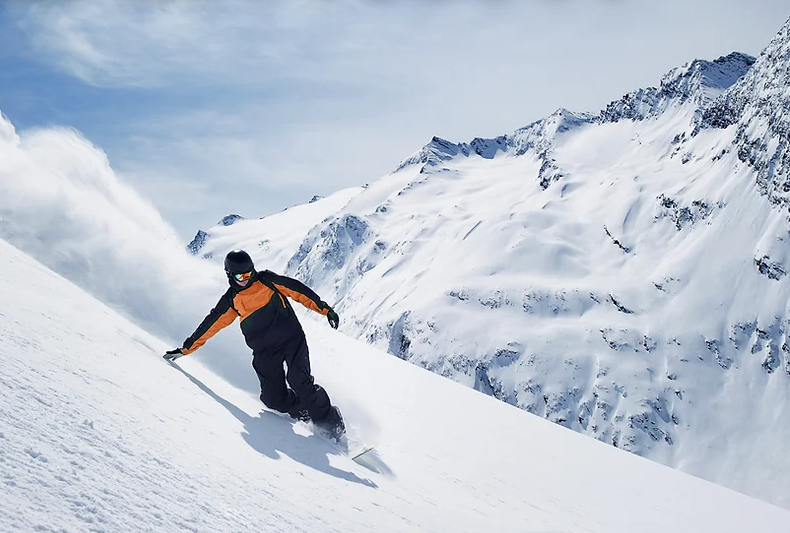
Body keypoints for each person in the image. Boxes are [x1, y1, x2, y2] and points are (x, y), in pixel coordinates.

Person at [164, 250, 345, 440]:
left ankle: (331, 423)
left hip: (291, 340)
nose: (245, 279)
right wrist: (186, 349)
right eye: (240, 276)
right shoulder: (231, 301)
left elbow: (298, 291)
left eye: (248, 274)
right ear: (229, 275)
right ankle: (304, 410)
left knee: (299, 381)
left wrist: (326, 310)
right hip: (265, 351)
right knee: (272, 398)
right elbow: (210, 326)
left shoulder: (267, 281)